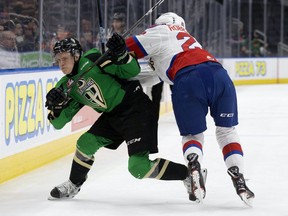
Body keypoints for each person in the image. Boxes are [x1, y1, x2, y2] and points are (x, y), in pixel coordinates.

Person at [126, 12, 255, 205]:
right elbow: (155, 75)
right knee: (227, 131)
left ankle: (194, 165)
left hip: (187, 80)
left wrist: (112, 48)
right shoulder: (187, 40)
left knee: (193, 136)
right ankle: (238, 175)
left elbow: (128, 47)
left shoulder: (161, 31)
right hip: (219, 75)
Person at [46, 35, 191, 200]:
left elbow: (132, 71)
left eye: (64, 58)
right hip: (112, 115)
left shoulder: (94, 59)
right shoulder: (65, 86)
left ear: (76, 55)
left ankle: (188, 174)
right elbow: (58, 123)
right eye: (58, 60)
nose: (61, 64)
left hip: (135, 107)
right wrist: (56, 108)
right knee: (85, 143)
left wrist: (122, 54)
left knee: (138, 167)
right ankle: (73, 184)